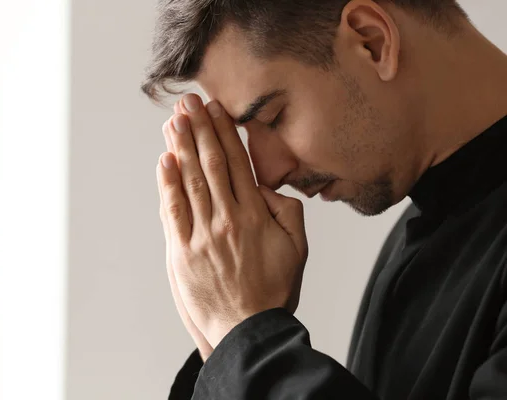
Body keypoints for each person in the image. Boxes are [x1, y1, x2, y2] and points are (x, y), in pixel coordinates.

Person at [141, 0, 507, 398]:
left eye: (272, 118)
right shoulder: (417, 236)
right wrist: (226, 353)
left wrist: (249, 342)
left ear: (372, 41)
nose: (268, 173)